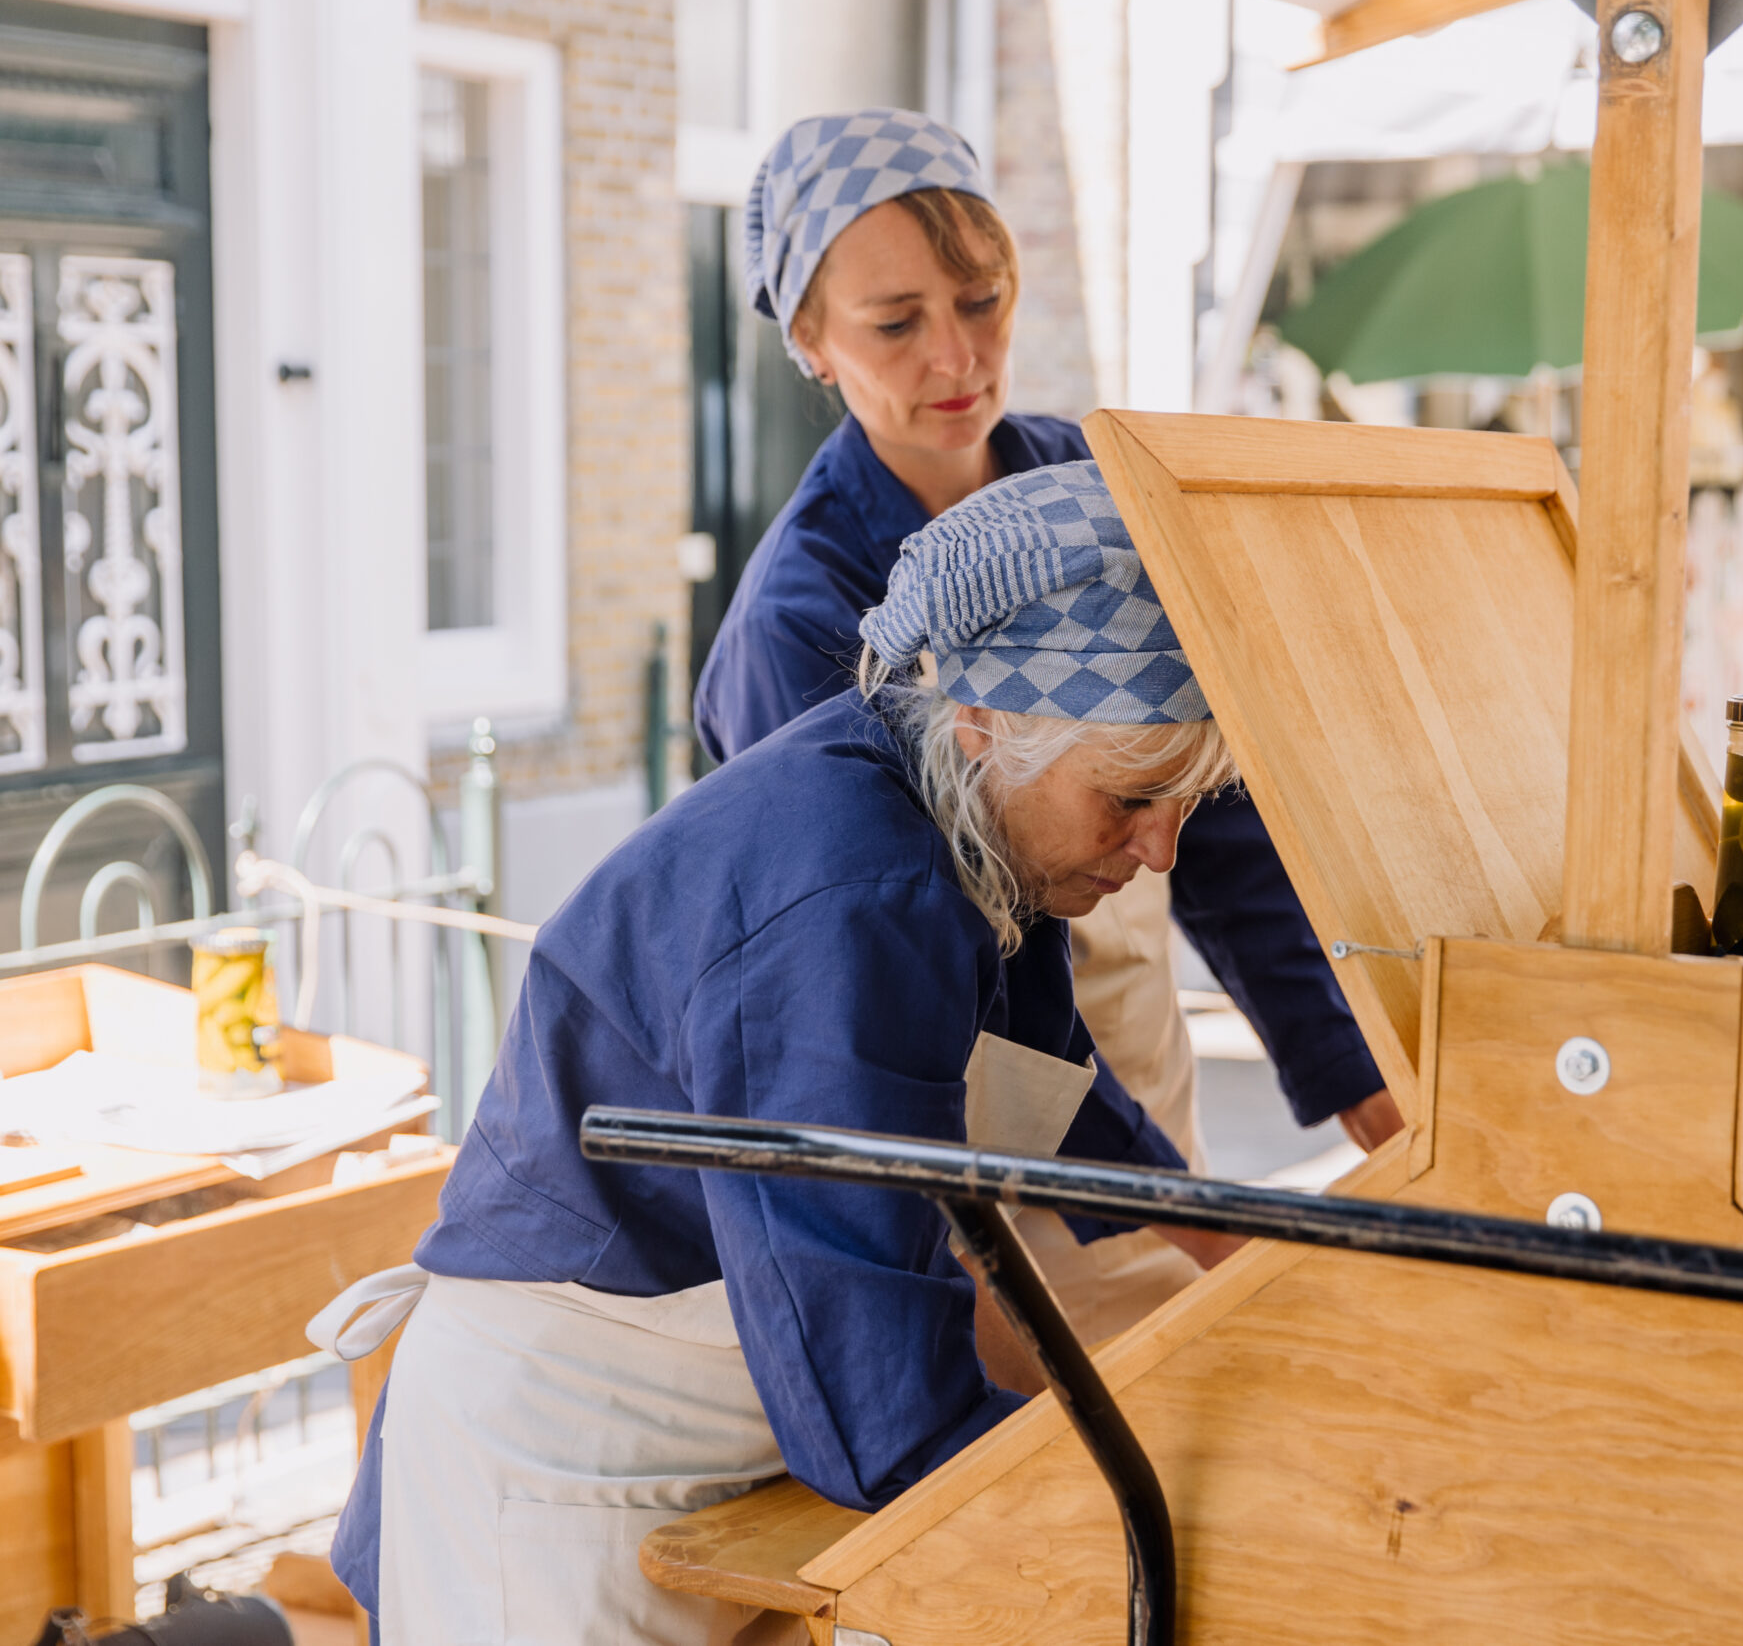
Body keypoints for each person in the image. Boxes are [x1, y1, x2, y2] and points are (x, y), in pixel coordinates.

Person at [322, 462, 1250, 1643]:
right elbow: (876, 1405)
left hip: (719, 1431)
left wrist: (1237, 1242)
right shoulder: (849, 901)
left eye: (1186, 804)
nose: (1160, 851)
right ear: (985, 724)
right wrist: (1133, 1528)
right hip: (562, 1466)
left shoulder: (970, 826)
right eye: (1128, 799)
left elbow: (1049, 1093)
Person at [693, 111, 1396, 1337]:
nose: (957, 356)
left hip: (1141, 1074)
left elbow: (1217, 829)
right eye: (895, 323)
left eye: (982, 300)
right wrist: (1183, 1213)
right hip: (961, 1144)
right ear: (809, 338)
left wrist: (1357, 1082)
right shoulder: (799, 626)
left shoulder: (1095, 495)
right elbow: (907, 971)